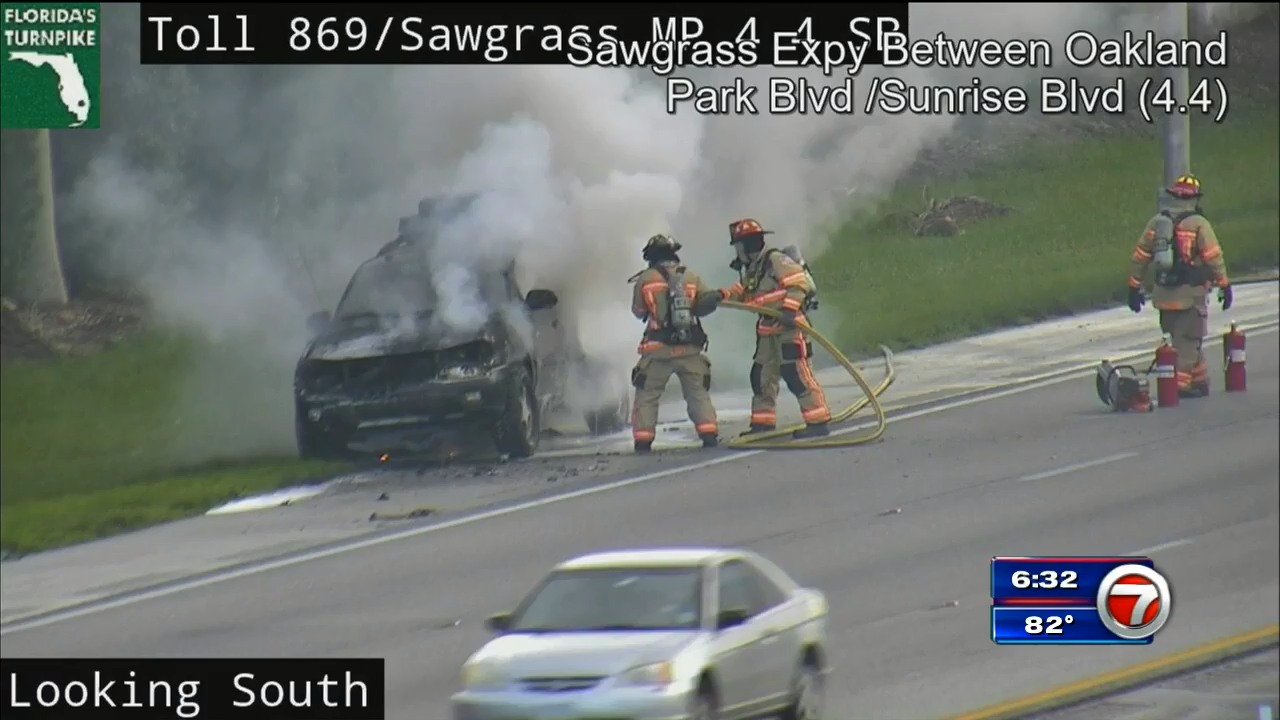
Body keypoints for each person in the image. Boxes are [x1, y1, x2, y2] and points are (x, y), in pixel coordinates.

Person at [719, 218, 832, 439]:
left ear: (746, 245)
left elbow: (799, 283)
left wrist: (789, 309)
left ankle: (818, 421)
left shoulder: (775, 260)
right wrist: (719, 296)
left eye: (738, 246)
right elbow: (743, 291)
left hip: (790, 327)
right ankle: (763, 424)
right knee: (761, 376)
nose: (737, 252)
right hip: (767, 330)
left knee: (796, 374)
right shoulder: (756, 267)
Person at [1127, 173, 1233, 397]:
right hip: (1190, 297)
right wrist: (1224, 284)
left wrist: (1134, 287)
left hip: (1163, 297)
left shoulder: (1157, 223)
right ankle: (1179, 385)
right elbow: (1213, 257)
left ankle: (1199, 380)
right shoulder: (1198, 224)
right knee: (1188, 342)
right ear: (1195, 198)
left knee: (1181, 340)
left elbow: (1140, 256)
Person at [629, 234, 724, 453]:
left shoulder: (646, 279)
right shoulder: (690, 276)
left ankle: (643, 440)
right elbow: (704, 304)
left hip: (658, 351)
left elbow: (638, 311)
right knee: (697, 393)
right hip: (690, 349)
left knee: (647, 394)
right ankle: (709, 433)